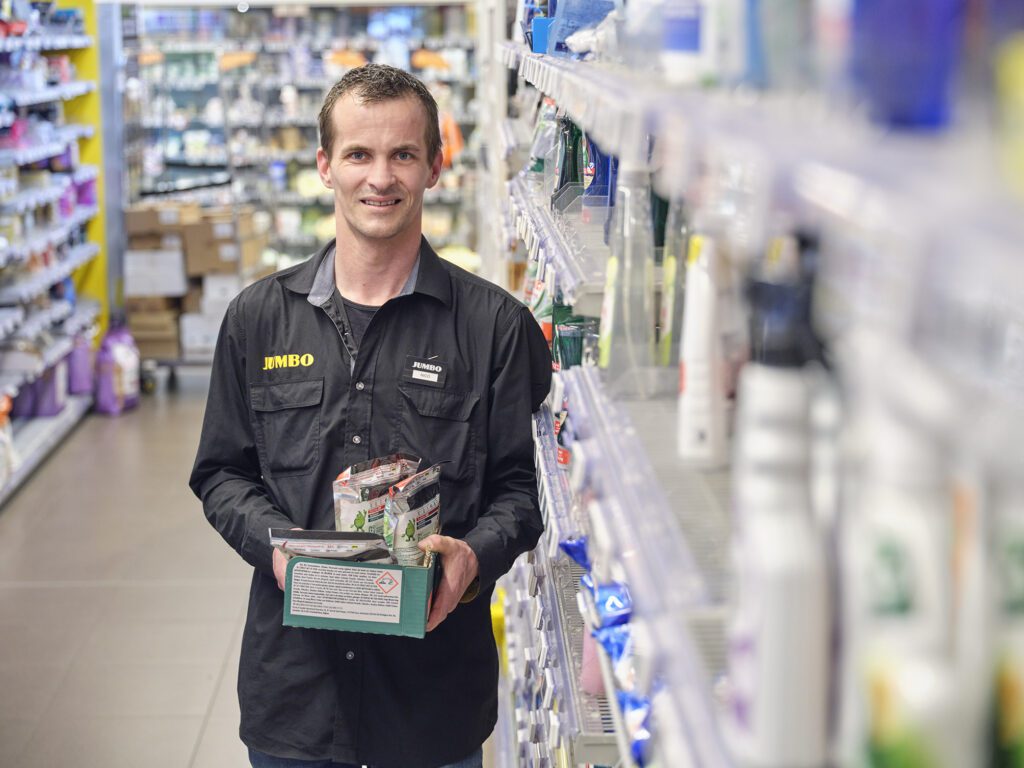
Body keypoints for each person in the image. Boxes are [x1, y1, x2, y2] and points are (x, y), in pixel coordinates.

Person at [189, 64, 551, 768]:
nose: (379, 178)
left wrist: (473, 556)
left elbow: (521, 489)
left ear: (435, 166)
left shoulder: (494, 328)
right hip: (296, 701)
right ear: (325, 166)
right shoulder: (258, 321)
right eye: (359, 154)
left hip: (430, 705)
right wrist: (280, 551)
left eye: (402, 155)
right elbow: (221, 474)